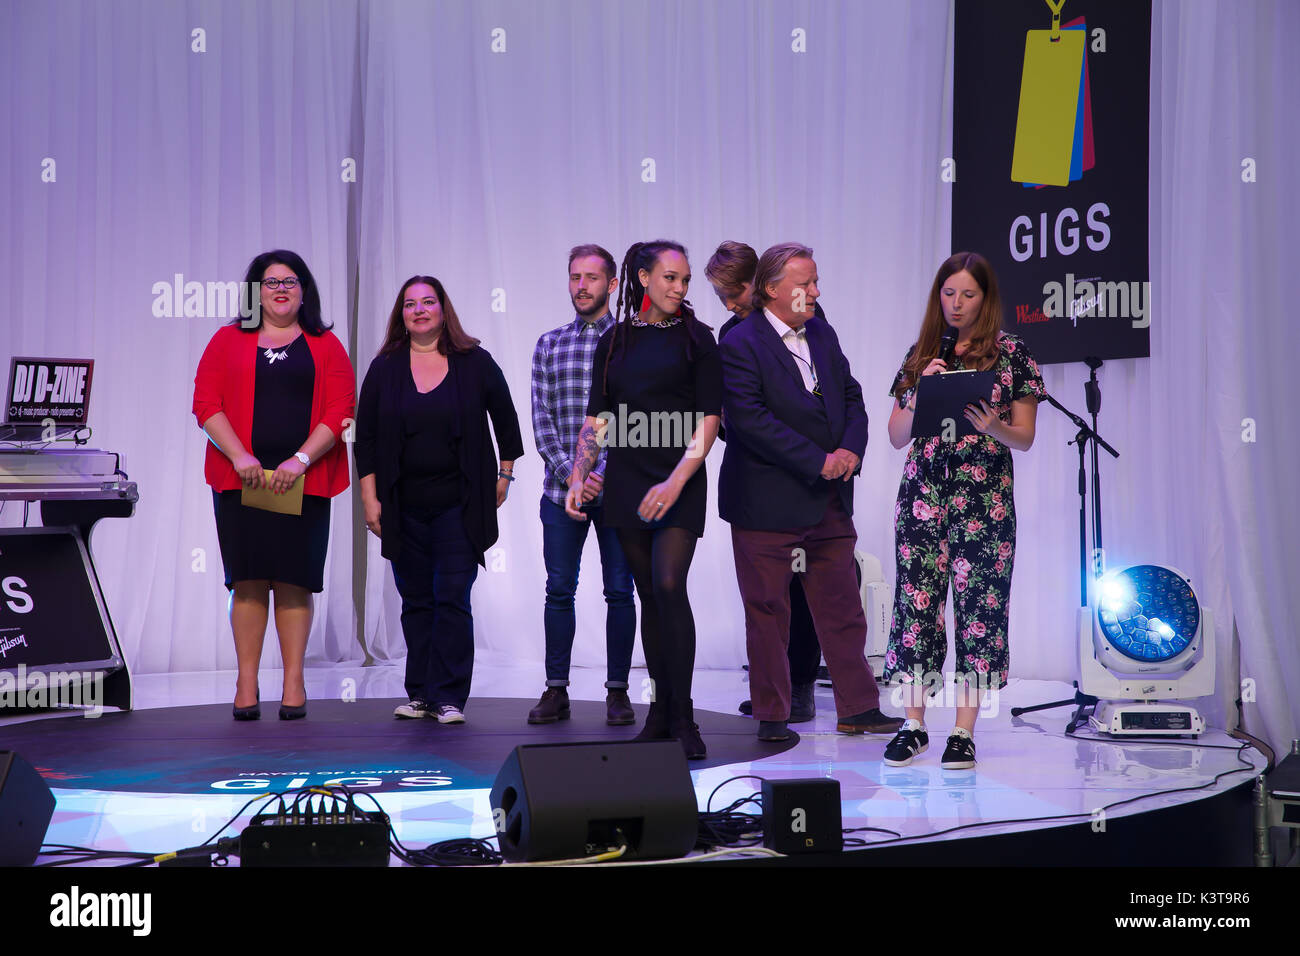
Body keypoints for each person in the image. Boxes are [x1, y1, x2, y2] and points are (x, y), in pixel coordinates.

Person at [718, 243, 902, 743]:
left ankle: (859, 708)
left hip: (829, 498)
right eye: (805, 284)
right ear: (771, 290)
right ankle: (773, 715)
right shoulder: (738, 342)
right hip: (766, 502)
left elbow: (851, 395)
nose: (816, 292)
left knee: (843, 607)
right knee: (768, 612)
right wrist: (816, 460)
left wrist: (850, 450)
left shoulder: (822, 329)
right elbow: (749, 421)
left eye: (816, 281)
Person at [882, 251, 1044, 769]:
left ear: (986, 298)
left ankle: (963, 730)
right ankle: (913, 724)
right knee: (917, 607)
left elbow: (1024, 438)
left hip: (984, 502)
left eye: (968, 295)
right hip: (924, 497)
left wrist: (992, 424)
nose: (956, 304)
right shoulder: (922, 352)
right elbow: (894, 436)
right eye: (948, 294)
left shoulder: (1012, 354)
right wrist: (916, 394)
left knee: (980, 613)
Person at [565, 240, 721, 759]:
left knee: (670, 584)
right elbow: (599, 418)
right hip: (629, 482)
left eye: (684, 279)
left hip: (678, 480)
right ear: (643, 278)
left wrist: (676, 481)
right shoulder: (615, 341)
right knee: (649, 594)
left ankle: (685, 715)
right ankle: (659, 713)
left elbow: (710, 419)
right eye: (670, 278)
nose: (679, 288)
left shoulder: (699, 339)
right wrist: (578, 475)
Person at [193, 249, 355, 721]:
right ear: (254, 292)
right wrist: (240, 455)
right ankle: (246, 681)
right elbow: (206, 403)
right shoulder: (226, 340)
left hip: (303, 482)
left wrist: (301, 459)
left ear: (304, 290)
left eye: (290, 281)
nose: (281, 289)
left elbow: (341, 409)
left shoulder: (325, 344)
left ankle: (293, 681)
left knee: (293, 580)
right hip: (239, 480)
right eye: (270, 282)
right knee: (246, 581)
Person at [354, 275, 524, 724]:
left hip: (460, 504)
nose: (420, 310)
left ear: (443, 309)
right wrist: (370, 499)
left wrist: (505, 474)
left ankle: (449, 697)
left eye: (428, 302)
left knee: (451, 596)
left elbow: (507, 422)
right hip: (402, 504)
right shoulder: (384, 367)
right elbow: (365, 439)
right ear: (401, 315)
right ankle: (422, 695)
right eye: (410, 304)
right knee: (416, 600)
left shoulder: (474, 362)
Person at [707, 240, 824, 723]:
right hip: (758, 480)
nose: (729, 304)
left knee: (801, 588)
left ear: (760, 285)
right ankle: (772, 690)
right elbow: (735, 408)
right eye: (720, 297)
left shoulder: (806, 320)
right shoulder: (732, 334)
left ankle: (801, 687)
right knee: (765, 596)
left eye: (732, 293)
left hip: (803, 476)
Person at [528, 244, 637, 726]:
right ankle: (556, 689)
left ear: (611, 285)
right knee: (559, 589)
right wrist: (571, 476)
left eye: (592, 277)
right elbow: (542, 418)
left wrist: (599, 476)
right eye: (575, 276)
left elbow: (636, 421)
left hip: (617, 492)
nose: (582, 285)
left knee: (619, 590)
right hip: (560, 492)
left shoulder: (632, 343)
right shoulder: (549, 344)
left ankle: (617, 691)